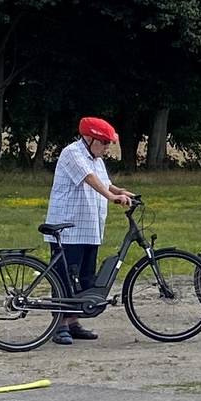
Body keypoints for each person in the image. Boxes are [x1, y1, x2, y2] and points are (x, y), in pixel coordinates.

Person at [45, 117, 135, 342]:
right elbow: (90, 178)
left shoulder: (96, 159)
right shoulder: (72, 153)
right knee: (65, 277)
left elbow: (104, 181)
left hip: (89, 228)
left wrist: (119, 190)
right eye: (103, 142)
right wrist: (111, 197)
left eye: (108, 143)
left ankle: (73, 322)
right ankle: (60, 326)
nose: (106, 148)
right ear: (89, 138)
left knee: (84, 278)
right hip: (68, 228)